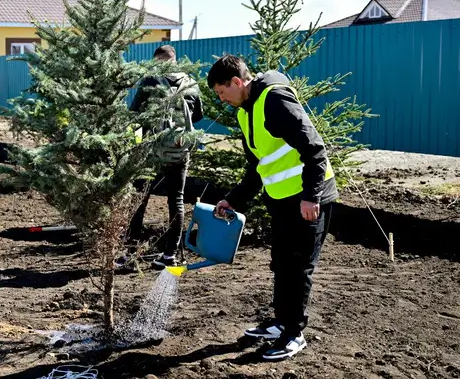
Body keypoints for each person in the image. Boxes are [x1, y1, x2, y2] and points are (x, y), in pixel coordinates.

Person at [206, 54, 338, 361]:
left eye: (222, 92)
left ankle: (294, 334)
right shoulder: (244, 113)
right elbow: (258, 168)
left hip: (309, 199)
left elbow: (315, 148)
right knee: (281, 262)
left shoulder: (275, 101)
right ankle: (280, 323)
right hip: (281, 199)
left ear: (237, 82)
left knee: (299, 267)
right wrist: (232, 199)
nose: (222, 99)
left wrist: (311, 196)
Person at [118, 45, 204, 270]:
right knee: (176, 200)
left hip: (151, 152)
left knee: (140, 199)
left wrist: (135, 146)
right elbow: (198, 115)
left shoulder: (150, 81)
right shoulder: (190, 83)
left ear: (157, 60)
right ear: (174, 60)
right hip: (179, 151)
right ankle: (169, 256)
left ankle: (130, 254)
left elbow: (135, 116)